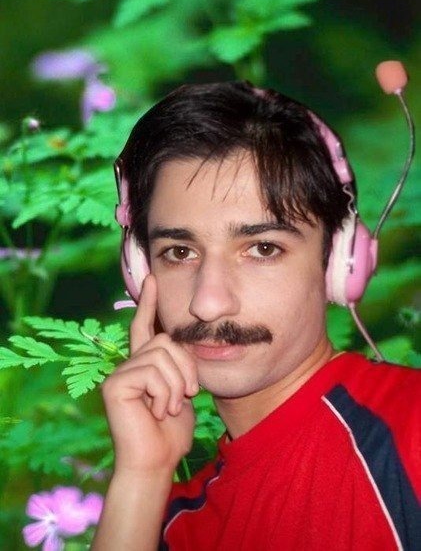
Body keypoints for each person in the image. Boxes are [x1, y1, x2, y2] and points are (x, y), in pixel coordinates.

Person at [92, 81, 421, 550]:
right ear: (140, 270)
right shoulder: (169, 526)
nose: (208, 303)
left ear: (338, 263)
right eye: (179, 252)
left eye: (263, 249)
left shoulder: (411, 431)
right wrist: (142, 473)